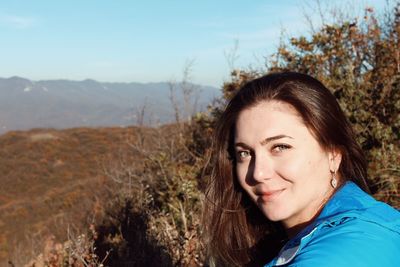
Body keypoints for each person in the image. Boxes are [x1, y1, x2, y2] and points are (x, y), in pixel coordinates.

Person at [202, 72, 400, 266]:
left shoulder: (358, 245)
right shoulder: (293, 239)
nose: (258, 173)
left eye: (280, 147)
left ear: (333, 155)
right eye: (244, 153)